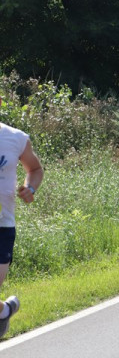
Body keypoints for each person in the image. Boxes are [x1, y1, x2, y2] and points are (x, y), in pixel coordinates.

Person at [0, 103, 44, 338]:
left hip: (2, 227)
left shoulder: (15, 138)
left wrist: (30, 189)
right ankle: (5, 310)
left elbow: (35, 168)